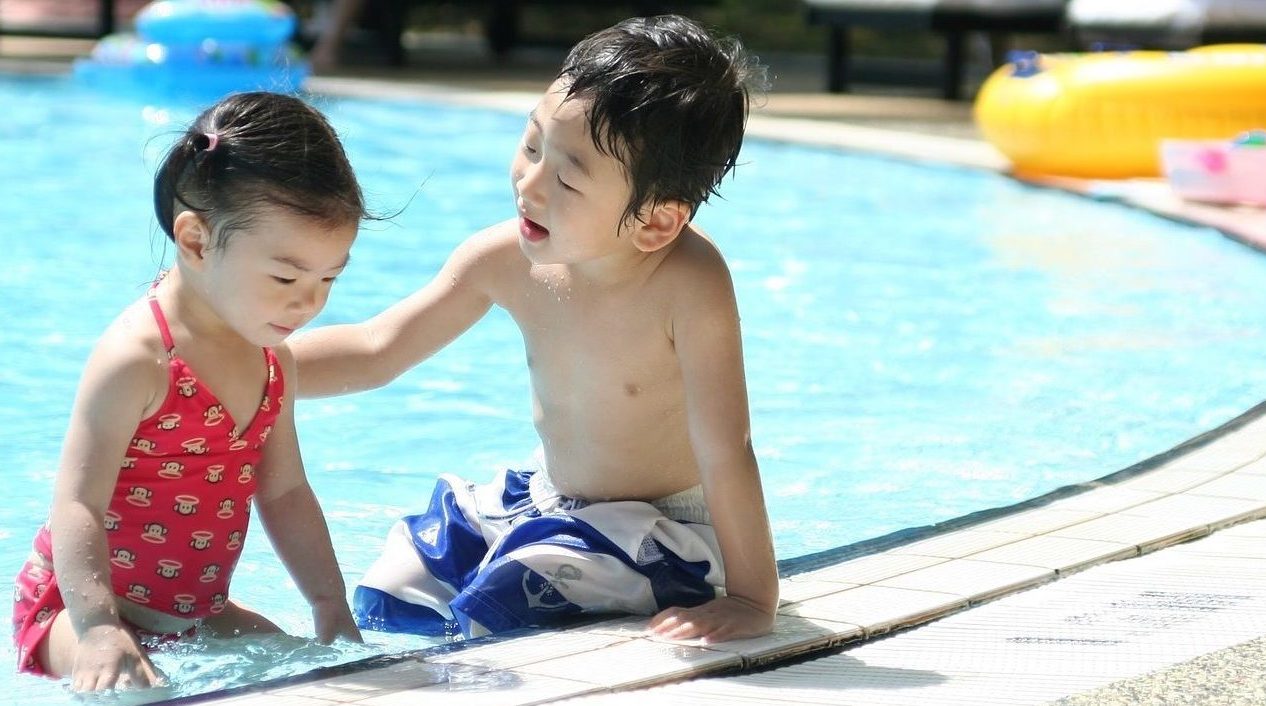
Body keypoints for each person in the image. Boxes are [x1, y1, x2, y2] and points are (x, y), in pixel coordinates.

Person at [293, 14, 779, 643]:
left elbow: (726, 449)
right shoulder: (502, 258)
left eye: (568, 178)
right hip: (547, 497)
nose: (529, 184)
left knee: (508, 594)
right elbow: (377, 349)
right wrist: (245, 368)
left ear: (656, 222)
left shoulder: (689, 285)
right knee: (396, 583)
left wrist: (751, 597)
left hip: (657, 529)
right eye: (530, 145)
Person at [12, 91, 367, 691]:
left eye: (329, 277)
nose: (308, 302)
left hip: (193, 615)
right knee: (132, 687)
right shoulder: (137, 359)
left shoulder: (272, 358)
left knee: (304, 668)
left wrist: (330, 607)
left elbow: (284, 491)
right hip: (75, 610)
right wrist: (99, 629)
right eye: (285, 276)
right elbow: (77, 505)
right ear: (198, 241)